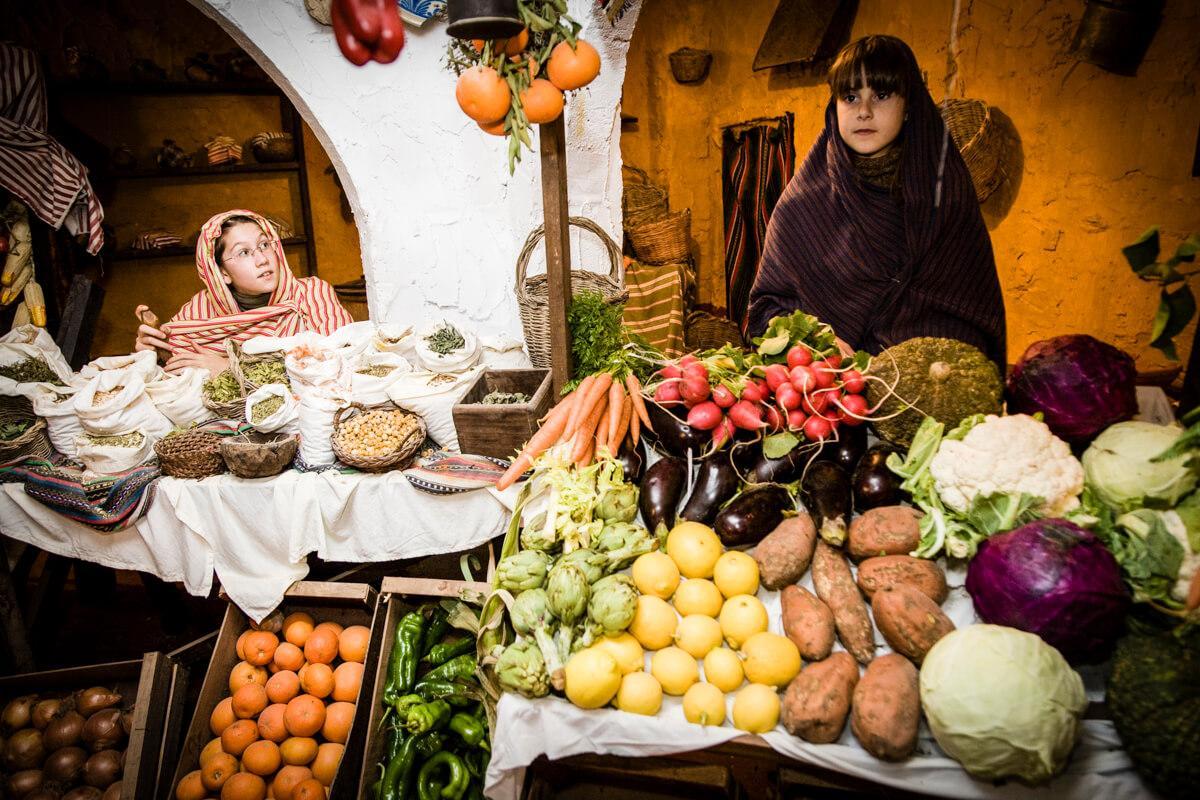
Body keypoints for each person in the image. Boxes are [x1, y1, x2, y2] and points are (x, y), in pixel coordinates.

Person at [747, 35, 1006, 367]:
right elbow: (767, 309)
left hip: (927, 394)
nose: (864, 112)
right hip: (827, 395)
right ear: (834, 107)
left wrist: (912, 369)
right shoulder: (801, 208)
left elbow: (972, 317)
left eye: (881, 95)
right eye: (850, 97)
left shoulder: (946, 200)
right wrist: (815, 340)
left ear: (909, 106)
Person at [134, 209, 353, 374]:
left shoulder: (311, 293)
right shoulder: (201, 308)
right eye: (244, 252)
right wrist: (151, 353)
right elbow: (175, 366)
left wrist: (232, 369)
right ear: (222, 273)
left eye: (265, 245)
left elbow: (343, 360)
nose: (262, 259)